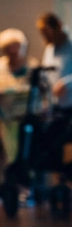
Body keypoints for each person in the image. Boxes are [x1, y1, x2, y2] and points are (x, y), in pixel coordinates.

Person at [36, 12, 72, 126]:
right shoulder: (49, 49)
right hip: (54, 105)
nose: (46, 36)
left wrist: (66, 83)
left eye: (47, 31)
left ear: (57, 28)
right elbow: (46, 72)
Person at [0, 28, 38, 171]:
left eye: (16, 47)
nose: (13, 51)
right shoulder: (0, 67)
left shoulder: (33, 67)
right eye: (8, 48)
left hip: (29, 120)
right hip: (5, 121)